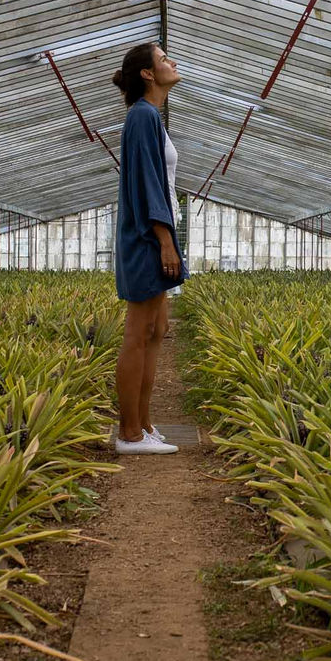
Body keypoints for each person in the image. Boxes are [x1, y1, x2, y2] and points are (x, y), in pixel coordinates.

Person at [111, 42, 186, 455]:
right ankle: (130, 434)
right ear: (147, 74)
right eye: (163, 59)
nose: (171, 62)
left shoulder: (150, 117)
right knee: (138, 333)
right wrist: (163, 241)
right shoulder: (142, 116)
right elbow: (148, 183)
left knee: (157, 331)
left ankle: (144, 424)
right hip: (147, 238)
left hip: (155, 236)